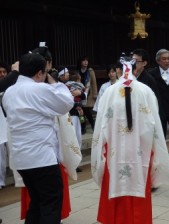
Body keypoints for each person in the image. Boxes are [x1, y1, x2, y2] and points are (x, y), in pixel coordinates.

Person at [91, 57, 169, 224]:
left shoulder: (109, 92)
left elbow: (101, 125)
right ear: (135, 70)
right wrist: (154, 150)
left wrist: (100, 151)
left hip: (114, 152)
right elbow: (154, 126)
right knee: (138, 182)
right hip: (140, 151)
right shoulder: (145, 91)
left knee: (114, 182)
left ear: (119, 71)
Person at [2, 52, 74, 224]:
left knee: (37, 202)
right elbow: (66, 103)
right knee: (50, 203)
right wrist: (52, 81)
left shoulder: (9, 92)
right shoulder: (40, 88)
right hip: (42, 157)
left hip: (22, 158)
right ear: (40, 73)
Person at [148, 49, 169, 150]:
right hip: (159, 109)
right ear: (158, 60)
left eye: (168, 59)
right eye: (164, 59)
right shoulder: (151, 74)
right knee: (160, 135)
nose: (167, 61)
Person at [77, 56, 98, 134]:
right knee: (81, 112)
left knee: (87, 111)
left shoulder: (90, 71)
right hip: (79, 94)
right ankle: (83, 126)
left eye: (87, 60)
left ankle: (91, 125)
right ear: (80, 62)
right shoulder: (78, 71)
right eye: (84, 60)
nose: (86, 62)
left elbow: (94, 83)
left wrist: (95, 94)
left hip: (88, 93)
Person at [0, 61, 9, 190]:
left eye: (4, 72)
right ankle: (1, 181)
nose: (2, 74)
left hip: (13, 122)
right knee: (1, 154)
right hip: (1, 123)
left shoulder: (13, 86)